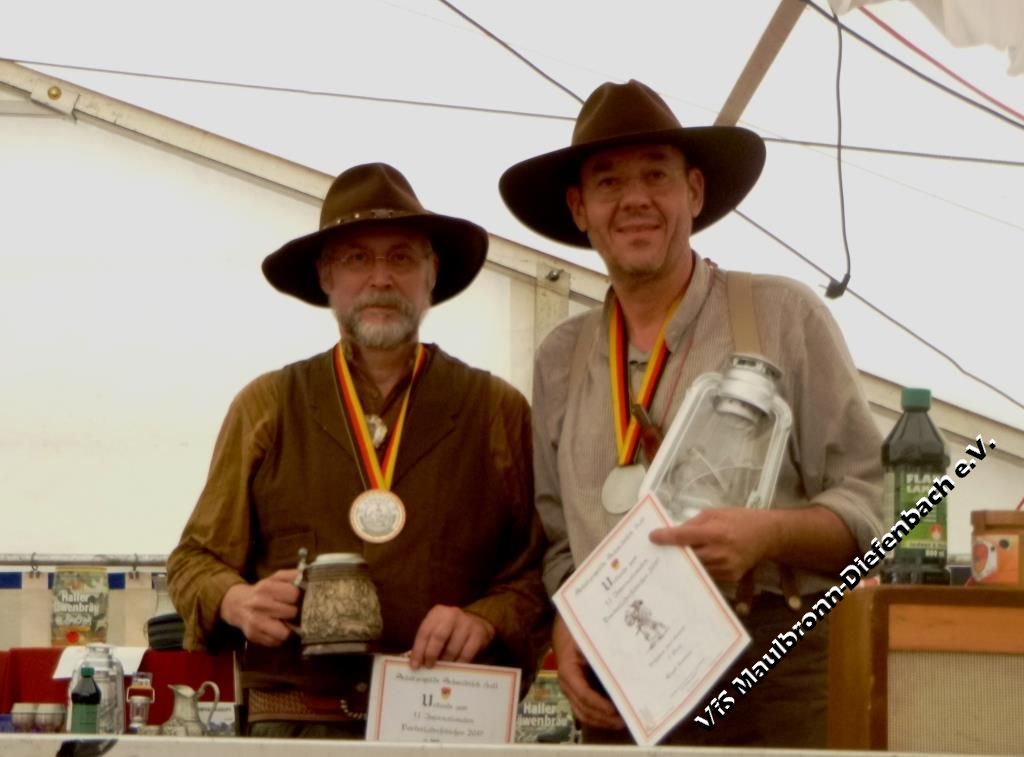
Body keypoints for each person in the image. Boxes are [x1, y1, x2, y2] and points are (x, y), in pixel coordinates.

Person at [499, 80, 884, 748]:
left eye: (657, 175)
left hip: (775, 667)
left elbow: (872, 508)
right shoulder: (560, 357)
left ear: (695, 193)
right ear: (580, 208)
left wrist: (769, 534)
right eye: (608, 181)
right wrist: (568, 620)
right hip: (625, 678)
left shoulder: (784, 314)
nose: (635, 199)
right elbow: (558, 542)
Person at [167, 162, 550, 738]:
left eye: (402, 258)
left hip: (443, 726)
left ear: (432, 275)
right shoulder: (266, 406)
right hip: (295, 731)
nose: (380, 278)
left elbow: (540, 571)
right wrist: (236, 600)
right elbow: (193, 562)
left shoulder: (497, 410)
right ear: (326, 277)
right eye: (356, 259)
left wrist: (486, 618)